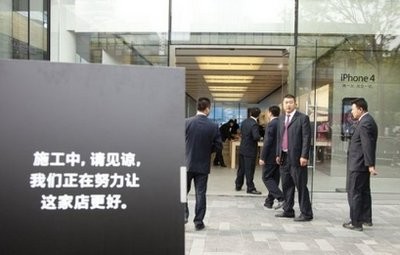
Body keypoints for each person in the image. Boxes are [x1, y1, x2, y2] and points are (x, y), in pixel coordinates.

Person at [185, 97, 222, 230]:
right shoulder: (213, 126)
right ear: (207, 108)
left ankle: (183, 216)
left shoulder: (186, 122)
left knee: (182, 192)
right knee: (200, 193)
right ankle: (198, 222)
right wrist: (207, 151)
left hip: (185, 163)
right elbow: (218, 146)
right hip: (203, 165)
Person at [275, 94, 313, 221]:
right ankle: (288, 210)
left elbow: (307, 138)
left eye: (291, 102)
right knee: (286, 185)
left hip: (297, 158)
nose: (288, 105)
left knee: (301, 185)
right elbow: (279, 138)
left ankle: (306, 213)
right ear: (283, 104)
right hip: (284, 157)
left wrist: (304, 155)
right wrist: (278, 154)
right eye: (286, 102)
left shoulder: (303, 118)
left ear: (295, 104)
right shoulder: (281, 119)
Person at [343, 98, 378, 231]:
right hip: (360, 164)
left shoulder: (365, 123)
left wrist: (370, 165)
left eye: (353, 109)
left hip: (358, 165)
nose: (351, 112)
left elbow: (367, 145)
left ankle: (356, 222)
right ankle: (365, 218)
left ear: (360, 109)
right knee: (363, 192)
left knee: (355, 192)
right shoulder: (367, 121)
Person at [259, 106, 285, 209]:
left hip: (270, 156)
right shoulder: (281, 122)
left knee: (266, 177)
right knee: (274, 179)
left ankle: (281, 198)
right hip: (279, 155)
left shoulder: (271, 124)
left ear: (270, 113)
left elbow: (268, 142)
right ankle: (269, 202)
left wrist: (262, 157)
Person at [235, 107, 262, 194]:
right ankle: (250, 188)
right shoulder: (254, 124)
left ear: (250, 113)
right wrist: (260, 137)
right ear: (258, 115)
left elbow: (242, 133)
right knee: (249, 169)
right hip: (250, 150)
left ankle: (238, 185)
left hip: (243, 148)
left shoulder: (244, 122)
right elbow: (255, 136)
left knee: (241, 168)